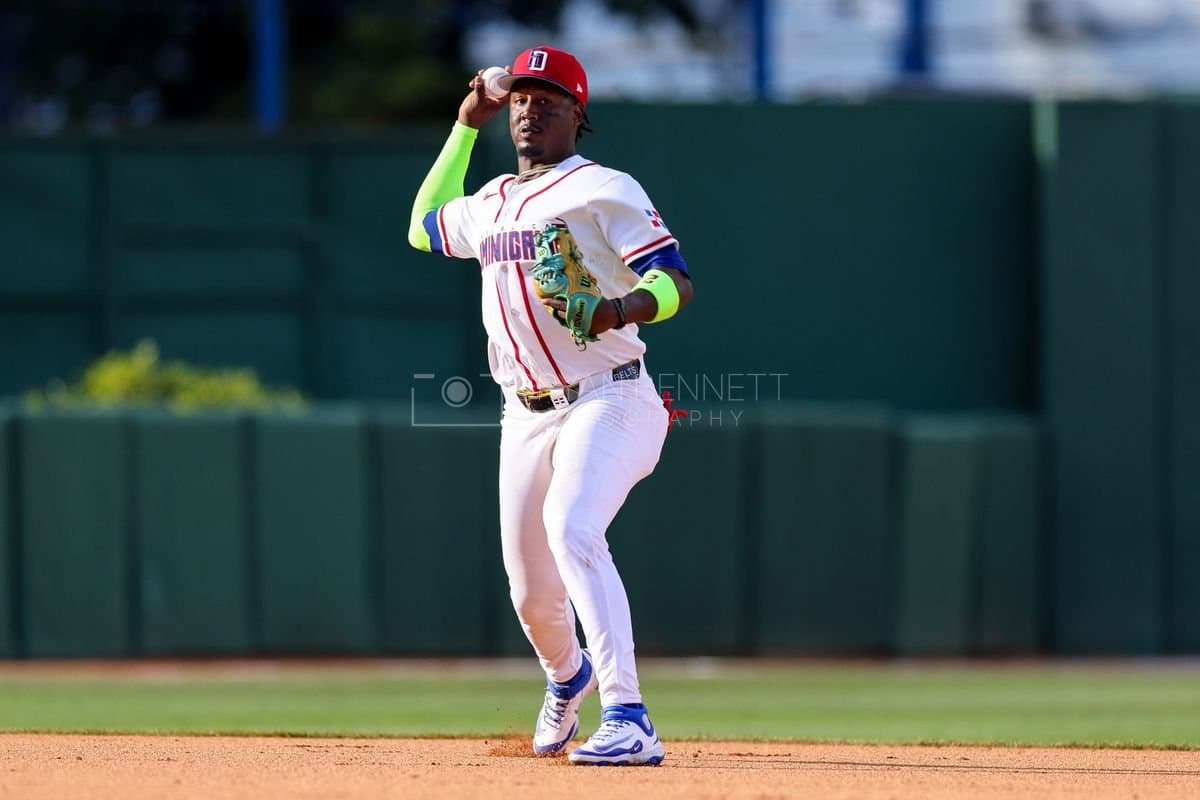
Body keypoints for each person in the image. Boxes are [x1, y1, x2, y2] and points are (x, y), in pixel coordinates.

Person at [407, 45, 693, 767]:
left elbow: (676, 280)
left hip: (612, 397)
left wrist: (621, 306)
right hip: (524, 412)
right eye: (524, 98)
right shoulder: (492, 200)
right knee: (532, 595)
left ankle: (629, 715)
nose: (532, 108)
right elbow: (423, 225)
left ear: (577, 116)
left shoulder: (603, 187)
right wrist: (467, 122)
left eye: (550, 99)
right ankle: (570, 677)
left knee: (572, 526)